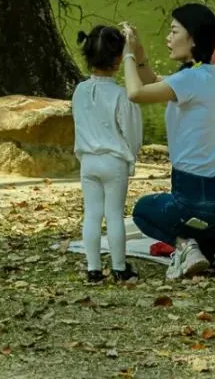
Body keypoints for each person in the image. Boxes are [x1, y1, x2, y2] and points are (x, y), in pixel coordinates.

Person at [121, 4, 215, 280]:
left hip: (196, 200)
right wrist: (141, 55)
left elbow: (135, 93)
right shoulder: (211, 76)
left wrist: (128, 55)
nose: (168, 37)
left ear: (192, 39)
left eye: (173, 31)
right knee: (204, 222)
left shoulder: (188, 80)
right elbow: (153, 81)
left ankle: (187, 246)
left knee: (143, 211)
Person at [72, 23, 143, 285]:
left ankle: (92, 269)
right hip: (113, 162)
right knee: (114, 214)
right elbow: (132, 133)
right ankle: (119, 267)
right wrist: (131, 155)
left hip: (88, 161)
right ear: (118, 60)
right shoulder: (121, 95)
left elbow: (79, 124)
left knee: (91, 213)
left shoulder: (79, 91)